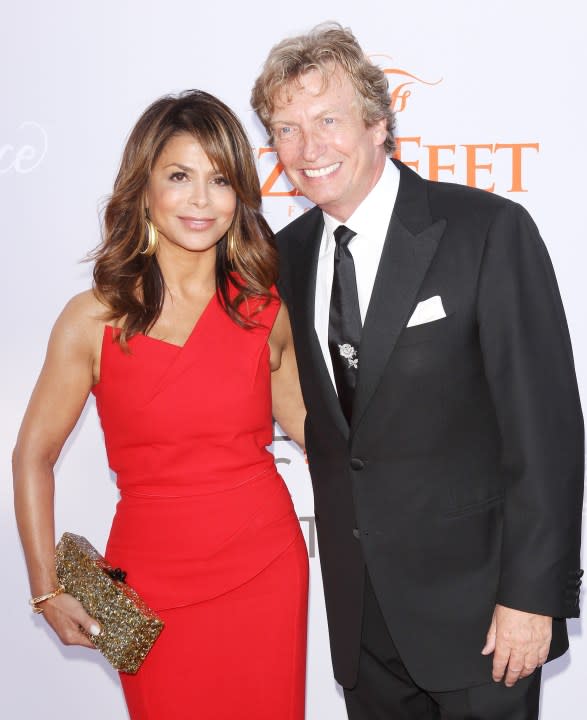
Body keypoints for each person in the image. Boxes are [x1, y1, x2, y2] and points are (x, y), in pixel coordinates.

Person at [251, 22, 584, 720]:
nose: (308, 149)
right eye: (285, 129)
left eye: (327, 120)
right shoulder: (286, 254)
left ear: (377, 124)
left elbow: (545, 432)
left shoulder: (485, 231)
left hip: (483, 620)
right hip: (361, 623)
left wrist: (531, 597)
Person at [13, 90, 308, 720]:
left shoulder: (266, 312)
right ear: (144, 187)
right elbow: (31, 457)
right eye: (180, 176)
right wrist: (46, 591)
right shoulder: (93, 318)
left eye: (220, 180)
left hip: (266, 567)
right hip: (150, 584)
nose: (202, 200)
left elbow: (321, 435)